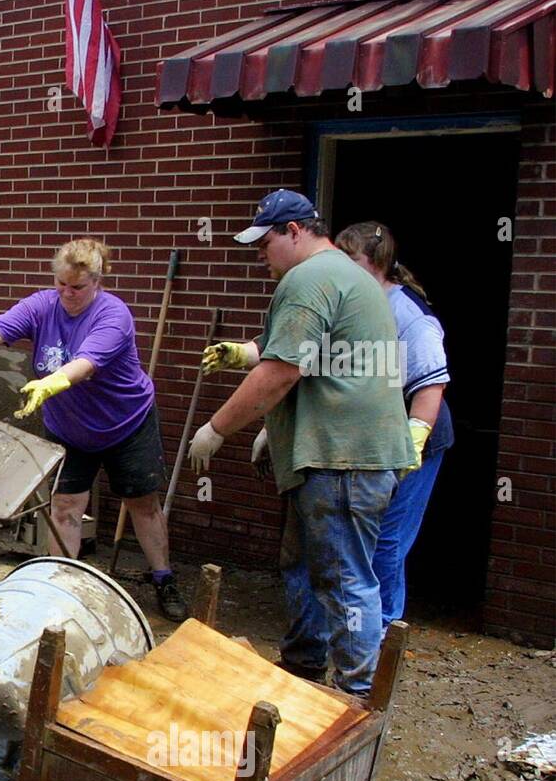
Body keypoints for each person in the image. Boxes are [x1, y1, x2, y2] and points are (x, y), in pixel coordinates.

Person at [187, 190, 415, 696]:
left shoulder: (309, 279)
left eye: (264, 244)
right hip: (343, 453)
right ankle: (304, 667)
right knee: (313, 568)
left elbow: (282, 371)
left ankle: (359, 700)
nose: (260, 257)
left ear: (294, 232)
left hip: (341, 460)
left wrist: (217, 428)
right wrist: (275, 428)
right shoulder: (349, 276)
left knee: (344, 580)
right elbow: (323, 362)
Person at [0, 237, 189, 621]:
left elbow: (86, 362)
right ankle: (62, 585)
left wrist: (52, 382)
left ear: (97, 282)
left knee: (141, 502)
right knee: (66, 504)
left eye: (78, 287)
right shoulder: (42, 305)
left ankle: (163, 578)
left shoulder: (114, 315)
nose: (68, 293)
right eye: (62, 284)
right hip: (69, 428)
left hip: (126, 423)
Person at [335, 221, 453, 628]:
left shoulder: (409, 314)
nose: (340, 266)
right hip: (375, 436)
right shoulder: (351, 302)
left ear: (376, 263)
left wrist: (414, 440)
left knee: (388, 539)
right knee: (364, 536)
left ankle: (383, 629)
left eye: (349, 258)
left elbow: (430, 384)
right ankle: (360, 623)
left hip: (415, 435)